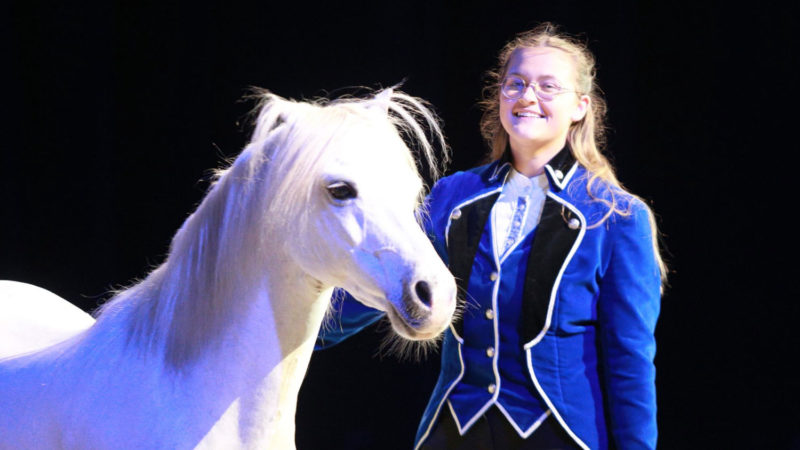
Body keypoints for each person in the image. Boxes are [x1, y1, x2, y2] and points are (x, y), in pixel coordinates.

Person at [317, 23, 666, 450]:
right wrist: (283, 326)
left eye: (547, 86)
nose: (528, 96)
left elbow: (629, 361)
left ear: (580, 107)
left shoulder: (616, 217)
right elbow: (388, 285)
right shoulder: (454, 195)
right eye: (515, 84)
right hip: (453, 431)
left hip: (560, 436)